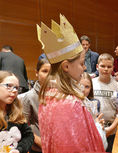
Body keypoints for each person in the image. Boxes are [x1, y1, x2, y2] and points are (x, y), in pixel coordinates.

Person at [37, 14, 105, 153]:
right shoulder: (69, 104)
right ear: (66, 66)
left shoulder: (48, 95)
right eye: (81, 63)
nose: (84, 68)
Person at [92, 53, 118, 152]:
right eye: (102, 66)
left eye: (109, 66)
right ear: (97, 67)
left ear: (113, 68)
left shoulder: (117, 86)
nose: (105, 69)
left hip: (110, 128)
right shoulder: (91, 84)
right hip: (93, 127)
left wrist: (111, 128)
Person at [20, 58, 51, 153]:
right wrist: (38, 141)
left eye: (51, 72)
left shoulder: (59, 95)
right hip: (37, 146)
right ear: (37, 73)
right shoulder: (29, 97)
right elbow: (23, 126)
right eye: (45, 71)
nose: (48, 76)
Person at [0, 71, 34, 153]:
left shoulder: (15, 112)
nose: (14, 91)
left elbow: (29, 135)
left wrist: (19, 150)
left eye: (16, 88)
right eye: (9, 86)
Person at [80, 72, 108, 150]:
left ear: (91, 88)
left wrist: (99, 124)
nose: (83, 90)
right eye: (81, 86)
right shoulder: (71, 102)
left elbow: (96, 121)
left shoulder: (94, 103)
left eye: (87, 87)